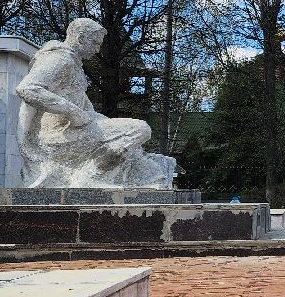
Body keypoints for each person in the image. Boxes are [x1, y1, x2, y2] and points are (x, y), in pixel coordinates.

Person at [16, 18, 177, 188]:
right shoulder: (60, 59)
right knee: (140, 130)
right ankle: (90, 176)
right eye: (94, 42)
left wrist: (107, 125)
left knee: (130, 142)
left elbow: (86, 108)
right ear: (80, 38)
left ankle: (144, 177)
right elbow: (27, 89)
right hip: (59, 135)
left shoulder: (74, 64)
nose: (97, 48)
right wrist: (73, 112)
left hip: (71, 131)